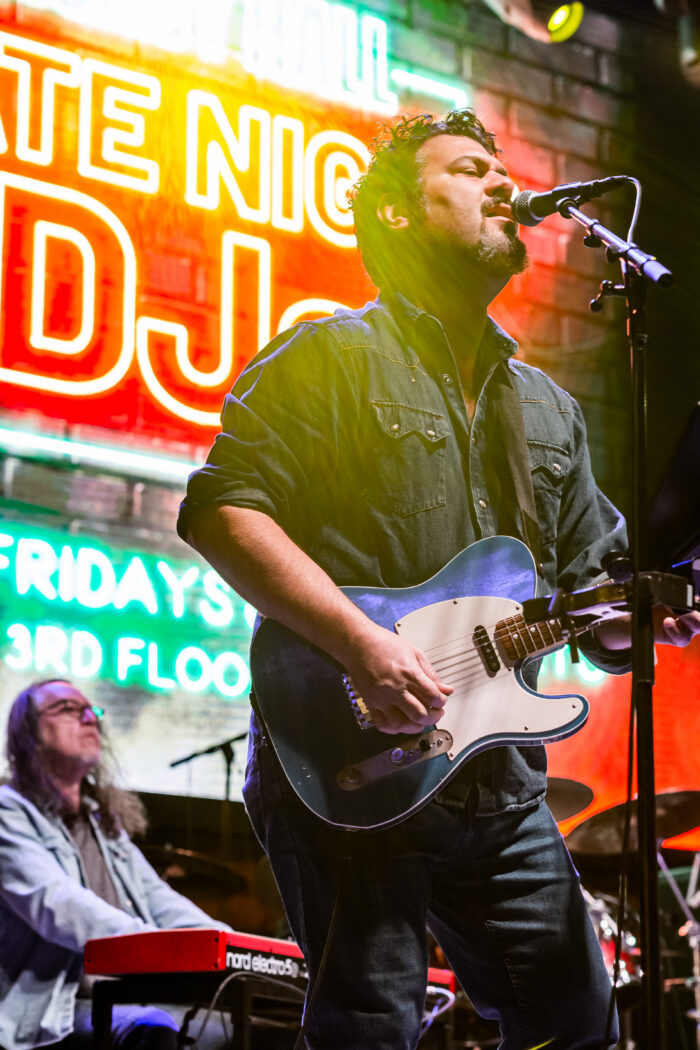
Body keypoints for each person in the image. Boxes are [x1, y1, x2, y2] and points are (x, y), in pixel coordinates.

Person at [177, 109, 700, 1049]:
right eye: (468, 170)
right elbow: (221, 513)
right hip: (350, 759)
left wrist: (649, 612)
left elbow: (598, 601)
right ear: (399, 215)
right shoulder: (329, 357)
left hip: (499, 780)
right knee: (369, 1028)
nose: (503, 183)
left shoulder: (547, 409)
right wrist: (362, 647)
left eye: (501, 168)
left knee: (574, 1021)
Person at [0, 678, 231, 1050]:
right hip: (51, 1008)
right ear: (28, 735)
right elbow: (59, 905)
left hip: (125, 995)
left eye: (90, 710)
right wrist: (155, 947)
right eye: (66, 709)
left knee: (251, 1027)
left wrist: (230, 947)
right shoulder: (8, 812)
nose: (88, 718)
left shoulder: (103, 825)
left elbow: (162, 902)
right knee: (152, 1027)